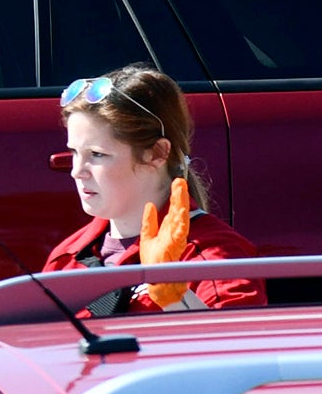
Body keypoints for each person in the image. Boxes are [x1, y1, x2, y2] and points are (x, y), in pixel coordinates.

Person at [46, 68, 267, 311]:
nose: (77, 171)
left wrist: (175, 299)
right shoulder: (67, 256)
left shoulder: (211, 255)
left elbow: (236, 344)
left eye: (97, 154)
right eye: (75, 152)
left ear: (158, 153)